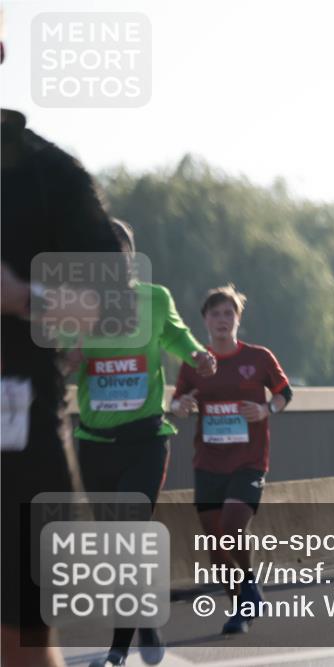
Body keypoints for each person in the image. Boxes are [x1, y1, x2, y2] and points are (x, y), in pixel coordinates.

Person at [1, 105, 126, 667]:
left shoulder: (48, 173)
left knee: (19, 640)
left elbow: (110, 309)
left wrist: (19, 297)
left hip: (16, 449)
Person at [71, 220, 217, 667]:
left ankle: (117, 650)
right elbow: (61, 355)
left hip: (146, 438)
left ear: (131, 258)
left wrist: (196, 354)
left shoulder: (155, 299)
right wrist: (68, 350)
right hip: (94, 441)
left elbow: (176, 335)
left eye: (119, 254)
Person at [171, 285, 292, 635]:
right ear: (205, 321)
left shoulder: (258, 358)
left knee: (232, 527)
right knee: (215, 543)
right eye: (215, 314)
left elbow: (285, 393)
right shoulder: (196, 362)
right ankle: (242, 601)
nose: (222, 320)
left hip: (249, 460)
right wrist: (181, 407)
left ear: (238, 319)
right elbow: (178, 403)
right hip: (208, 461)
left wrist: (266, 408)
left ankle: (248, 589)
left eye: (229, 313)